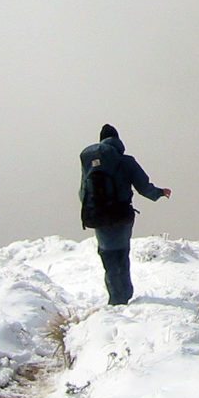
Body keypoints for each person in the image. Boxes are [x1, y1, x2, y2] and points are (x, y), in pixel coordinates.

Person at [81, 124, 171, 305]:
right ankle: (124, 296)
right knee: (121, 253)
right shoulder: (125, 161)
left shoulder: (89, 163)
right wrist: (160, 193)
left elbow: (83, 191)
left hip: (98, 216)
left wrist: (93, 209)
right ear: (118, 140)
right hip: (121, 215)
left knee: (107, 255)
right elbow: (144, 187)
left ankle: (115, 298)